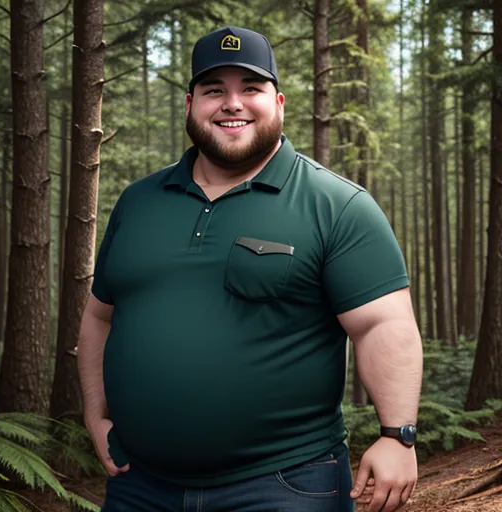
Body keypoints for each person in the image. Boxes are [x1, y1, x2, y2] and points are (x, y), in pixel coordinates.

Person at [78, 25, 423, 512]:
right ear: (189, 105)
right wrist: (96, 415)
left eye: (251, 89)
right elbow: (99, 317)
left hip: (284, 484)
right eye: (214, 90)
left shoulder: (337, 205)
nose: (232, 103)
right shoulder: (138, 202)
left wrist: (398, 435)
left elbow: (383, 325)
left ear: (279, 102)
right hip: (140, 486)